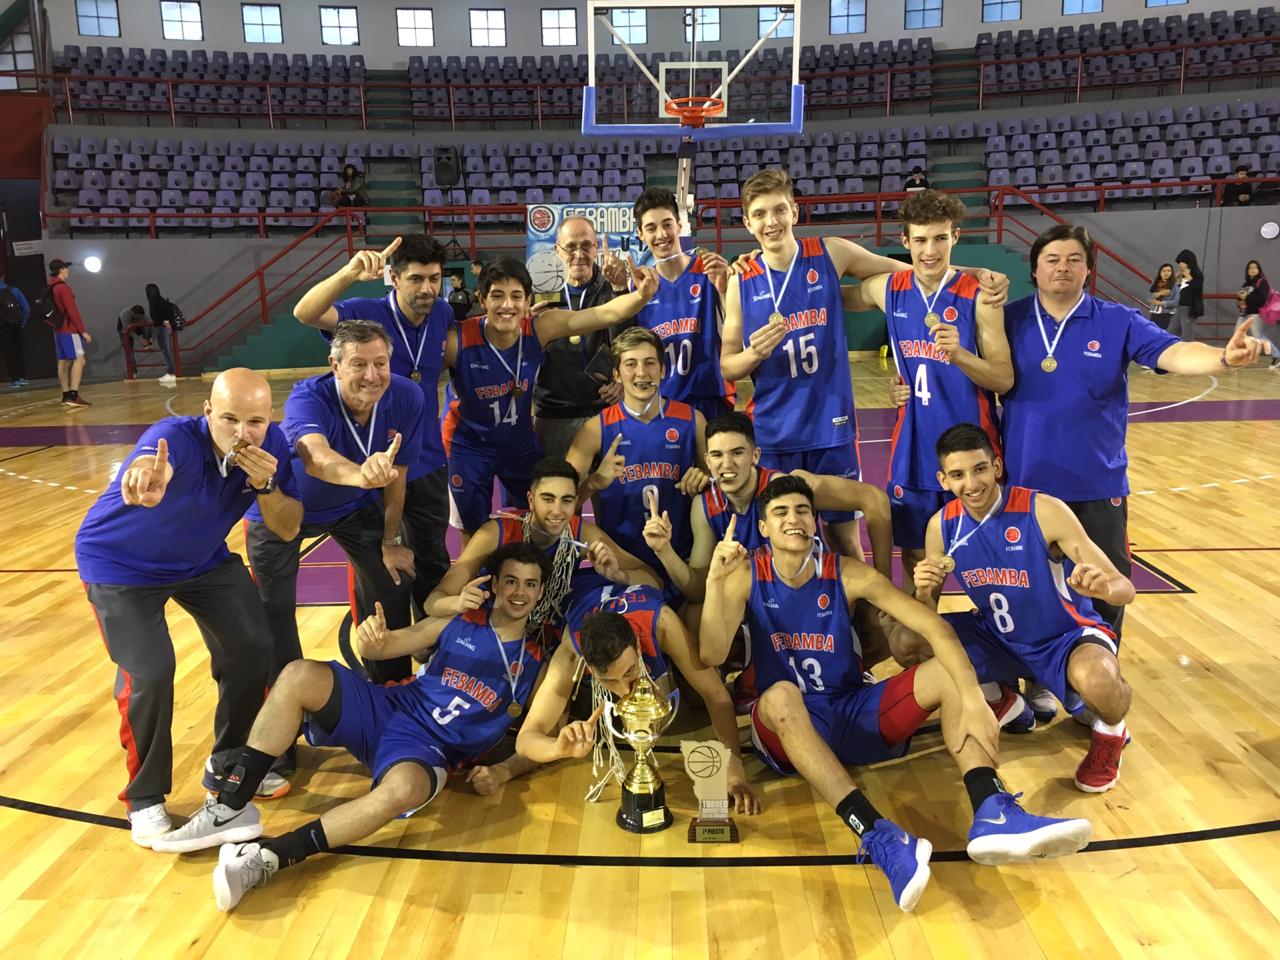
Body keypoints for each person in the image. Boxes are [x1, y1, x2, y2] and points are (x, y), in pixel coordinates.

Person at [701, 475, 1092, 912]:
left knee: (946, 672)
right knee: (780, 695)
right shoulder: (744, 575)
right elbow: (711, 653)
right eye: (781, 513)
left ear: (814, 521)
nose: (794, 519)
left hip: (849, 708)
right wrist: (715, 583)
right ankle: (877, 834)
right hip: (786, 730)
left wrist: (971, 696)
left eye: (803, 511)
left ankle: (993, 808)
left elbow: (934, 628)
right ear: (764, 527)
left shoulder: (846, 573)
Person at [151, 542, 553, 913]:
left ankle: (266, 858)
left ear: (540, 593)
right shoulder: (458, 621)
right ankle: (231, 806)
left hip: (428, 751)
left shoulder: (539, 663)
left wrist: (505, 771)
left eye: (530, 584)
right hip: (388, 710)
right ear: (495, 585)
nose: (519, 592)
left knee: (404, 790)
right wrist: (370, 640)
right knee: (298, 674)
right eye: (511, 581)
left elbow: (542, 734)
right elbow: (388, 645)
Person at [997, 224, 1270, 681]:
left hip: (1096, 484)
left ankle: (1097, 684)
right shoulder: (1008, 320)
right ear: (1035, 269)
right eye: (1052, 260)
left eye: (1074, 260)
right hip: (1026, 486)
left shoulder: (1117, 320)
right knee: (1030, 590)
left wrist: (1222, 358)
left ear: (1088, 269)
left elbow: (1173, 353)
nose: (1063, 267)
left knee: (1104, 590)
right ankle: (1038, 681)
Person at [721, 169, 1008, 560]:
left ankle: (856, 603)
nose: (771, 221)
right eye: (760, 214)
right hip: (773, 431)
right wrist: (754, 353)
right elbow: (728, 367)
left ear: (795, 212)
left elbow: (910, 271)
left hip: (832, 426)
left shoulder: (831, 253)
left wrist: (974, 274)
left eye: (779, 210)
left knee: (845, 541)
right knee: (776, 541)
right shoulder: (741, 279)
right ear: (747, 222)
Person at [74, 368, 304, 846]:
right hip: (120, 564)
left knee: (253, 645)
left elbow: (287, 527)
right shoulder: (174, 438)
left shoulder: (273, 447)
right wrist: (146, 475)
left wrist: (266, 486)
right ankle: (144, 798)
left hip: (200, 560)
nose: (243, 433)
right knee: (151, 671)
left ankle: (229, 763)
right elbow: (150, 461)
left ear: (270, 419)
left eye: (255, 421)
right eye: (229, 419)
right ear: (207, 412)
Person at [897, 424, 1136, 792]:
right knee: (908, 641)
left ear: (996, 466)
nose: (971, 484)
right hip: (998, 638)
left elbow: (1125, 589)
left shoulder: (1043, 510)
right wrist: (924, 591)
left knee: (1101, 682)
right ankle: (1002, 700)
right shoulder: (941, 527)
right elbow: (926, 614)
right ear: (943, 480)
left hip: (1063, 639)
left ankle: (1111, 733)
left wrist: (1105, 587)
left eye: (979, 469)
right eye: (958, 475)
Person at [842, 190, 1013, 592]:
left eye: (940, 238)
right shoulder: (888, 288)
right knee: (917, 558)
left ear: (956, 236)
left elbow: (1004, 379)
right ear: (905, 241)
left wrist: (961, 356)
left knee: (988, 553)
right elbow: (832, 295)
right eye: (920, 240)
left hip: (971, 443)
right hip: (913, 445)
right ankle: (922, 625)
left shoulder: (979, 296)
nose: (930, 251)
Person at [246, 319, 423, 702]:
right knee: (274, 609)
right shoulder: (307, 398)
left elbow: (398, 475)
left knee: (391, 580)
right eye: (359, 364)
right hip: (284, 508)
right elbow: (314, 456)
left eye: (380, 363)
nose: (372, 375)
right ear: (335, 365)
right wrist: (361, 475)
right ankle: (286, 706)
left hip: (351, 509)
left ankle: (392, 692)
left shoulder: (407, 397)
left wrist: (390, 541)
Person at [293, 235, 453, 619]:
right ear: (394, 278)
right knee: (378, 568)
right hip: (371, 462)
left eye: (434, 278)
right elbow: (305, 312)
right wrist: (349, 273)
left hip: (427, 459)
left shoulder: (443, 313)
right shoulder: (364, 313)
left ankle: (431, 639)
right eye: (416, 279)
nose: (427, 288)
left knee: (431, 557)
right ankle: (381, 641)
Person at [441, 255, 658, 537]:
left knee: (541, 519)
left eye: (516, 296)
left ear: (527, 300)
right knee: (473, 530)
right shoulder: (458, 340)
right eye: (497, 296)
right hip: (468, 446)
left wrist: (641, 296)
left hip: (518, 444)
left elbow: (603, 314)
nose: (507, 305)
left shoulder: (539, 328)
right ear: (482, 300)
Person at [515, 582, 761, 813]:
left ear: (639, 647)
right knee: (574, 717)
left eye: (629, 672)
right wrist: (558, 748)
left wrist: (734, 770)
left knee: (693, 697)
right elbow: (525, 739)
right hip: (582, 595)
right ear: (588, 668)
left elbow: (716, 694)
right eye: (609, 680)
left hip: (639, 592)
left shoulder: (662, 622)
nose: (624, 689)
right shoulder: (571, 652)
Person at [425, 456, 659, 638]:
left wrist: (618, 575)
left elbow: (653, 580)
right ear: (530, 499)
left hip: (546, 633)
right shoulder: (496, 534)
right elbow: (433, 601)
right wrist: (457, 602)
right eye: (547, 499)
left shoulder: (581, 533)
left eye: (566, 500)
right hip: (493, 629)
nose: (557, 511)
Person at [567, 326, 710, 602]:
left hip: (681, 560)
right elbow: (560, 506)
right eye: (631, 364)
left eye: (650, 363)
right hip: (623, 565)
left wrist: (705, 480)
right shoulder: (595, 429)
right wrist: (594, 482)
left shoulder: (693, 421)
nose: (642, 373)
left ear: (663, 370)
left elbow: (719, 492)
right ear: (616, 374)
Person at [629, 187, 735, 421]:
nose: (661, 234)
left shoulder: (708, 273)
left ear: (679, 226)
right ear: (640, 234)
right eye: (651, 228)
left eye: (667, 224)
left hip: (709, 400)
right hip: (661, 406)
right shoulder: (640, 288)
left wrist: (725, 290)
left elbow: (737, 328)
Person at [531, 215, 631, 462]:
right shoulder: (538, 294)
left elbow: (627, 345)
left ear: (596, 248)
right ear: (557, 249)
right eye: (571, 247)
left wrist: (622, 383)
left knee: (606, 485)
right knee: (556, 485)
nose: (579, 254)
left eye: (586, 246)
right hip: (553, 414)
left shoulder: (613, 288)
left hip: (603, 411)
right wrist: (526, 326)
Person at [45, 258, 92, 407]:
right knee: (80, 359)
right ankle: (73, 395)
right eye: (66, 268)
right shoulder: (63, 288)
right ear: (61, 270)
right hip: (69, 329)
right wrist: (82, 331)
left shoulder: (50, 286)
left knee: (63, 362)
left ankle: (65, 395)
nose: (68, 270)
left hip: (58, 329)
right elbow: (72, 311)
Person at [1238, 259, 1280, 366]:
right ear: (1247, 271)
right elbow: (1241, 300)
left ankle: (1276, 355)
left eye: (1255, 267)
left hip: (1255, 314)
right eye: (1250, 268)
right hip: (1244, 313)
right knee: (1237, 334)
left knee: (1259, 336)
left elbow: (1262, 299)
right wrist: (1240, 301)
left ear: (1259, 270)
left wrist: (1246, 297)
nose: (1253, 270)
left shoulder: (1262, 282)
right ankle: (1236, 357)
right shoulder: (1245, 284)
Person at [144, 282, 180, 386]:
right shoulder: (161, 299)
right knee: (167, 350)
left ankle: (171, 373)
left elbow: (160, 315)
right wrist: (167, 322)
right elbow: (168, 311)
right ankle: (171, 372)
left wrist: (165, 322)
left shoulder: (154, 301)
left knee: (166, 351)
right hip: (164, 327)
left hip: (161, 328)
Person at [0, 276, 31, 388]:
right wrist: (22, 322)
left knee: (8, 353)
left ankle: (15, 379)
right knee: (19, 350)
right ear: (3, 277)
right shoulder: (14, 290)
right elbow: (26, 308)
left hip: (2, 326)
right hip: (16, 324)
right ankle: (23, 377)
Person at [1174, 250, 1204, 343]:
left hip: (1189, 309)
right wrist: (1177, 281)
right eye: (1179, 262)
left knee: (1186, 336)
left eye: (1182, 262)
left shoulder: (1197, 275)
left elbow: (1196, 287)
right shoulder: (1181, 276)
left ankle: (1186, 351)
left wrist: (1187, 275)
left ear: (1188, 262)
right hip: (1178, 308)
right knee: (1171, 333)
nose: (1180, 264)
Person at [1147, 263, 1180, 331]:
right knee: (1153, 332)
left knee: (1163, 333)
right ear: (1160, 273)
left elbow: (1176, 302)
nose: (1166, 273)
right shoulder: (1155, 283)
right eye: (1164, 271)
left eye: (1169, 271)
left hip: (1167, 314)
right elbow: (1149, 297)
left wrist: (1161, 303)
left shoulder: (1175, 286)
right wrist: (1159, 293)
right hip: (1155, 312)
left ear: (1171, 273)